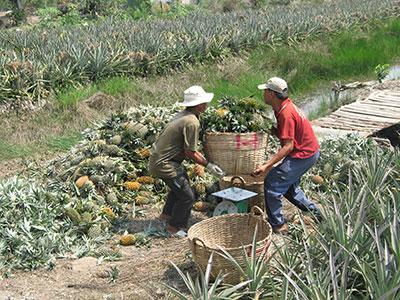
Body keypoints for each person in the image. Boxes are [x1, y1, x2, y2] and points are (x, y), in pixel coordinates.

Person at [149, 85, 225, 237]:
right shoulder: (191, 121)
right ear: (198, 105)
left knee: (180, 185)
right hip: (165, 164)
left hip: (161, 159)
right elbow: (189, 152)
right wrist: (208, 165)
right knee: (187, 197)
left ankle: (166, 215)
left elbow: (185, 148)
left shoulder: (183, 115)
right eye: (204, 102)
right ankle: (174, 227)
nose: (206, 105)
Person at [252, 77, 321, 234]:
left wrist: (266, 165)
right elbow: (288, 136)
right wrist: (273, 130)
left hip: (303, 155)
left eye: (265, 90)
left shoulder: (286, 113)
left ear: (272, 93)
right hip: (308, 152)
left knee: (272, 183)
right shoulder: (282, 108)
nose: (263, 93)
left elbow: (288, 146)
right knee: (289, 189)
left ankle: (278, 225)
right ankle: (316, 214)